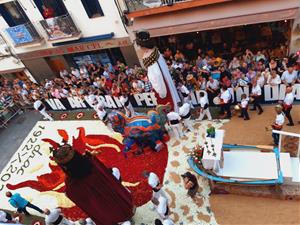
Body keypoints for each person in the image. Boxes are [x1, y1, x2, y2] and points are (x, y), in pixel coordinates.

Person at [48, 144, 134, 225]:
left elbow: (83, 203)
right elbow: (108, 176)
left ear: (64, 167)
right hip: (117, 199)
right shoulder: (92, 162)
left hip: (104, 210)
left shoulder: (71, 186)